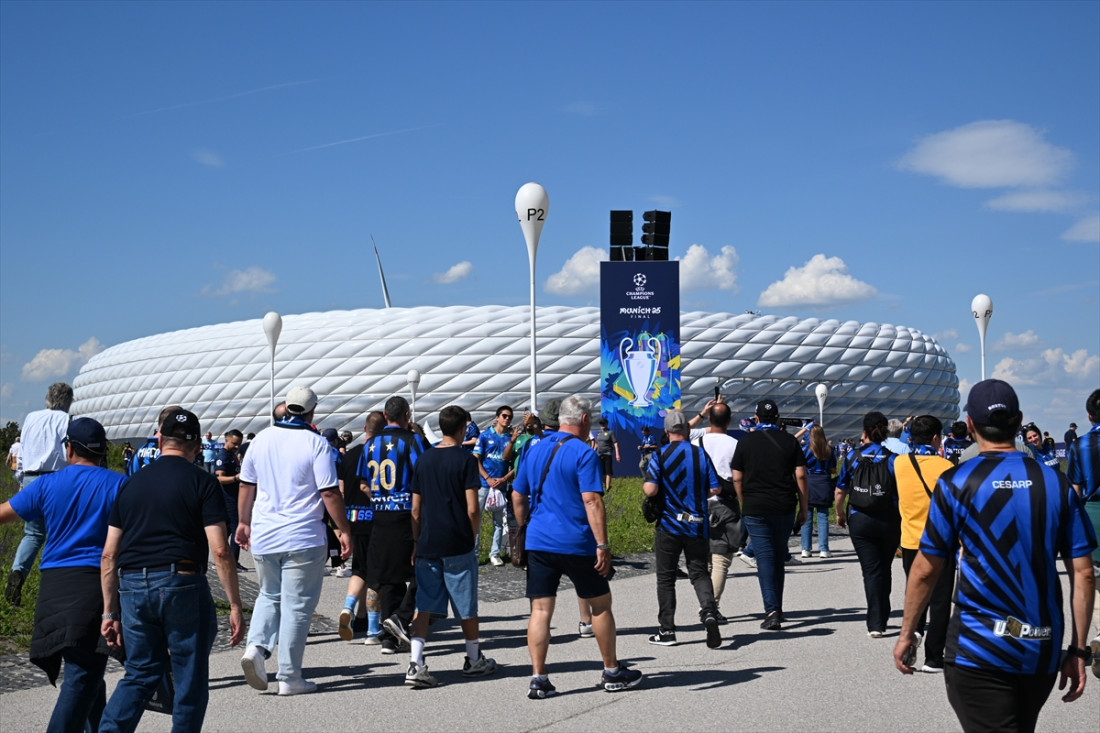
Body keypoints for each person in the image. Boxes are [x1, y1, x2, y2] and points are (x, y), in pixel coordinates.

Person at [893, 379, 1096, 732]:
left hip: (978, 647)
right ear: (1018, 423)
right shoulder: (1055, 483)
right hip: (1040, 646)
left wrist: (908, 632)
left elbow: (926, 569)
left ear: (969, 424)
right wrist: (1078, 650)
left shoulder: (956, 481)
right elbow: (1083, 573)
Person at [99, 408, 245, 731]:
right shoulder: (204, 483)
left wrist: (109, 613)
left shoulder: (130, 485)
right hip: (182, 583)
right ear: (196, 447)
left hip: (132, 585)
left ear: (160, 439)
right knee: (189, 678)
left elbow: (109, 555)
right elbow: (221, 550)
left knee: (140, 673)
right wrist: (235, 604)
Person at [512, 395, 642, 698]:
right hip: (578, 543)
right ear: (584, 421)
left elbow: (518, 496)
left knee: (541, 610)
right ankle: (612, 671)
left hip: (540, 542)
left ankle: (539, 678)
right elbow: (592, 501)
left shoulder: (534, 449)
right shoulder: (584, 454)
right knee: (599, 605)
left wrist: (525, 528)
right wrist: (603, 544)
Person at [0, 418, 124, 733]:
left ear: (69, 448)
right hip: (94, 586)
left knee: (85, 671)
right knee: (83, 674)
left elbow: (4, 514)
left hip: (53, 587)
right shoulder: (118, 485)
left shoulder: (47, 484)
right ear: (102, 451)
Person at [236, 386, 351, 695]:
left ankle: (256, 648)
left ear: (286, 407)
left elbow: (247, 485)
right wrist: (343, 529)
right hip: (302, 535)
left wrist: (243, 522)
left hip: (265, 534)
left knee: (269, 595)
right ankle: (289, 676)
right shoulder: (316, 444)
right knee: (297, 606)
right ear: (312, 412)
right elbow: (329, 492)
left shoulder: (260, 440)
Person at [404, 405, 498, 687]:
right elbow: (472, 508)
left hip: (429, 542)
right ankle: (472, 659)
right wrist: (471, 537)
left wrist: (417, 541)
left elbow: (416, 510)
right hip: (457, 542)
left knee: (424, 604)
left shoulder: (424, 460)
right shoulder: (466, 460)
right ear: (462, 429)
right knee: (465, 604)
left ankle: (416, 663)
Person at [358, 395, 431, 655]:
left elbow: (363, 483)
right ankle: (401, 619)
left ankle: (390, 638)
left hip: (379, 515)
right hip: (405, 513)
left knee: (388, 578)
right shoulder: (412, 442)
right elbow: (423, 476)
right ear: (406, 415)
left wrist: (380, 498)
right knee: (420, 569)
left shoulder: (369, 445)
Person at [643, 410, 722, 649]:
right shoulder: (700, 454)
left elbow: (650, 490)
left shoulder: (660, 455)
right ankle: (709, 611)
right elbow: (715, 489)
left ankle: (667, 630)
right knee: (699, 572)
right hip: (697, 524)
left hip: (669, 524)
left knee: (666, 578)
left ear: (666, 432)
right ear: (687, 431)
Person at [731, 398, 808, 630]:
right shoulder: (789, 441)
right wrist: (803, 508)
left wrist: (744, 502)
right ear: (777, 418)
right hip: (784, 506)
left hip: (755, 506)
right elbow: (801, 476)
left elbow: (736, 477)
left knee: (764, 557)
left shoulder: (745, 442)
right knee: (778, 555)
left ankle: (772, 610)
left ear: (755, 419)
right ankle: (778, 607)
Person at [894, 415, 955, 672]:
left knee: (915, 593)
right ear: (935, 438)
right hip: (940, 541)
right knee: (940, 600)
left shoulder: (899, 463)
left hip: (910, 540)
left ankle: (913, 634)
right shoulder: (946, 466)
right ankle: (933, 657)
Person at [6, 382, 72, 607]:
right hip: (57, 479)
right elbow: (67, 452)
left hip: (31, 478)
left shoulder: (31, 417)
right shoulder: (66, 420)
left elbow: (23, 450)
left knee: (32, 534)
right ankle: (54, 588)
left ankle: (18, 572)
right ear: (67, 400)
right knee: (59, 534)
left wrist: (21, 480)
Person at [836, 411, 900, 638]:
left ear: (864, 431)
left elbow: (840, 490)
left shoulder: (852, 457)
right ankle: (883, 613)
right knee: (885, 567)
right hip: (888, 519)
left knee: (871, 570)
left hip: (860, 518)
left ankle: (875, 623)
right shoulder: (893, 459)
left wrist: (840, 514)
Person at [686, 399, 741, 622]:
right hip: (725, 503)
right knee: (721, 560)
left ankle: (706, 603)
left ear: (709, 419)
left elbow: (681, 429)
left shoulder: (697, 440)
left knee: (705, 559)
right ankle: (711, 608)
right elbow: (738, 477)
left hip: (698, 503)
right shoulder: (735, 444)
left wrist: (701, 412)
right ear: (730, 421)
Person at [337, 411, 384, 644]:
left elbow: (341, 490)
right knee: (375, 573)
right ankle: (373, 630)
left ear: (365, 428)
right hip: (375, 519)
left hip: (352, 517)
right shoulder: (383, 456)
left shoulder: (349, 455)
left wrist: (341, 525)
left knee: (359, 569)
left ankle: (352, 609)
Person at [1065, 389, 1100, 678]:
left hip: (1093, 515)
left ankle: (1098, 637)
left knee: (1094, 579)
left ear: (1089, 416)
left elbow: (1075, 490)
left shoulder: (1080, 445)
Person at [473, 405, 514, 566]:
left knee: (498, 521)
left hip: (500, 485)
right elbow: (476, 458)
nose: (507, 419)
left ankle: (494, 553)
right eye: (504, 416)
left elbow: (514, 464)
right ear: (497, 417)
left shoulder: (511, 438)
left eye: (510, 417)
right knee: (477, 518)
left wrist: (503, 479)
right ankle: (474, 554)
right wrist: (487, 478)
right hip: (484, 484)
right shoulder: (484, 436)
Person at [797, 423, 835, 558]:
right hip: (824, 483)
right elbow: (833, 470)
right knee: (823, 517)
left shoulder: (805, 450)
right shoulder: (829, 450)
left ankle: (805, 549)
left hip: (809, 483)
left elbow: (800, 468)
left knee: (806, 516)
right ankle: (823, 549)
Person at [213, 429, 244, 570]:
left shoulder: (232, 455)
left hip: (234, 495)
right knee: (235, 527)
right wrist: (236, 478)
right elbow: (219, 477)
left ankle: (221, 556)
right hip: (229, 497)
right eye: (234, 443)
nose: (237, 446)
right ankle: (233, 562)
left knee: (228, 529)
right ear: (226, 440)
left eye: (239, 444)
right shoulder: (223, 456)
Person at [591, 418, 621, 492]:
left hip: (607, 454)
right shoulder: (598, 433)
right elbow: (597, 444)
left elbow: (615, 443)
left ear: (607, 424)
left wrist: (617, 454)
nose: (602, 425)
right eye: (601, 424)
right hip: (599, 454)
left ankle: (607, 488)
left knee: (608, 471)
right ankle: (607, 484)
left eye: (603, 424)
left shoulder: (610, 433)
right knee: (601, 472)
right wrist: (593, 451)